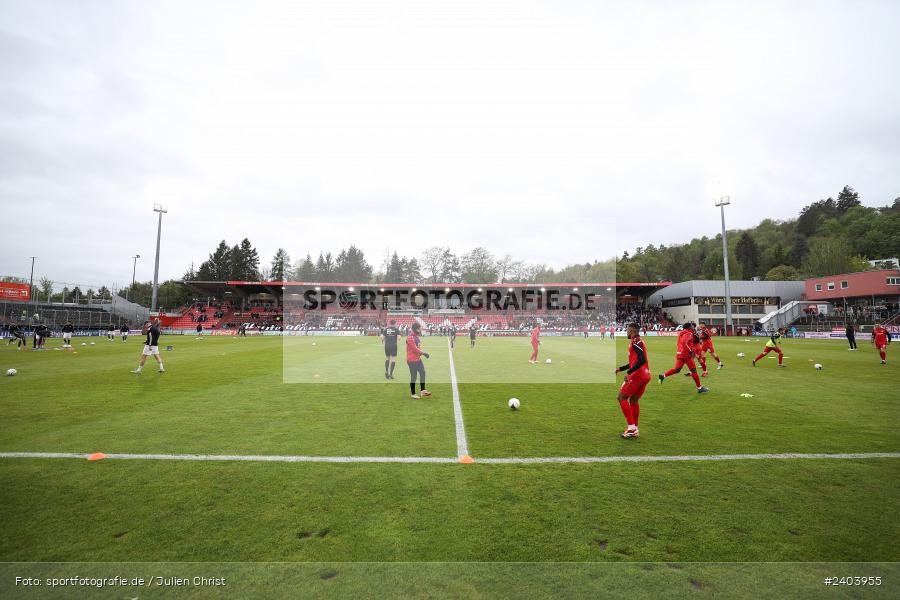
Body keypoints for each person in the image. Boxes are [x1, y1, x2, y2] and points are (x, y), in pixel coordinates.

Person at [615, 323, 651, 438]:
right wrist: (621, 368)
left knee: (621, 397)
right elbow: (634, 362)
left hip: (637, 375)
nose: (626, 332)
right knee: (634, 400)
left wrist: (629, 372)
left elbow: (642, 359)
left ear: (631, 331)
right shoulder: (637, 341)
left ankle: (631, 428)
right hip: (645, 375)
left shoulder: (636, 341)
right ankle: (635, 428)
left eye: (627, 330)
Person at [658, 323, 709, 393]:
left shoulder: (681, 333)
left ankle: (663, 376)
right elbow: (684, 342)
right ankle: (699, 388)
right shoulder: (689, 333)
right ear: (689, 327)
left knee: (677, 370)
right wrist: (690, 351)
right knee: (693, 371)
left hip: (679, 353)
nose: (693, 327)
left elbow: (680, 343)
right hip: (686, 355)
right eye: (691, 326)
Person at [405, 322, 431, 399]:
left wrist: (420, 354)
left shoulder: (416, 336)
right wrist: (423, 353)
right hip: (412, 360)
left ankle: (423, 391)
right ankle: (413, 394)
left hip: (418, 359)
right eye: (420, 328)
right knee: (414, 376)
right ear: (416, 329)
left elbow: (418, 347)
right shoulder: (410, 337)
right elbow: (414, 348)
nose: (421, 329)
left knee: (423, 372)